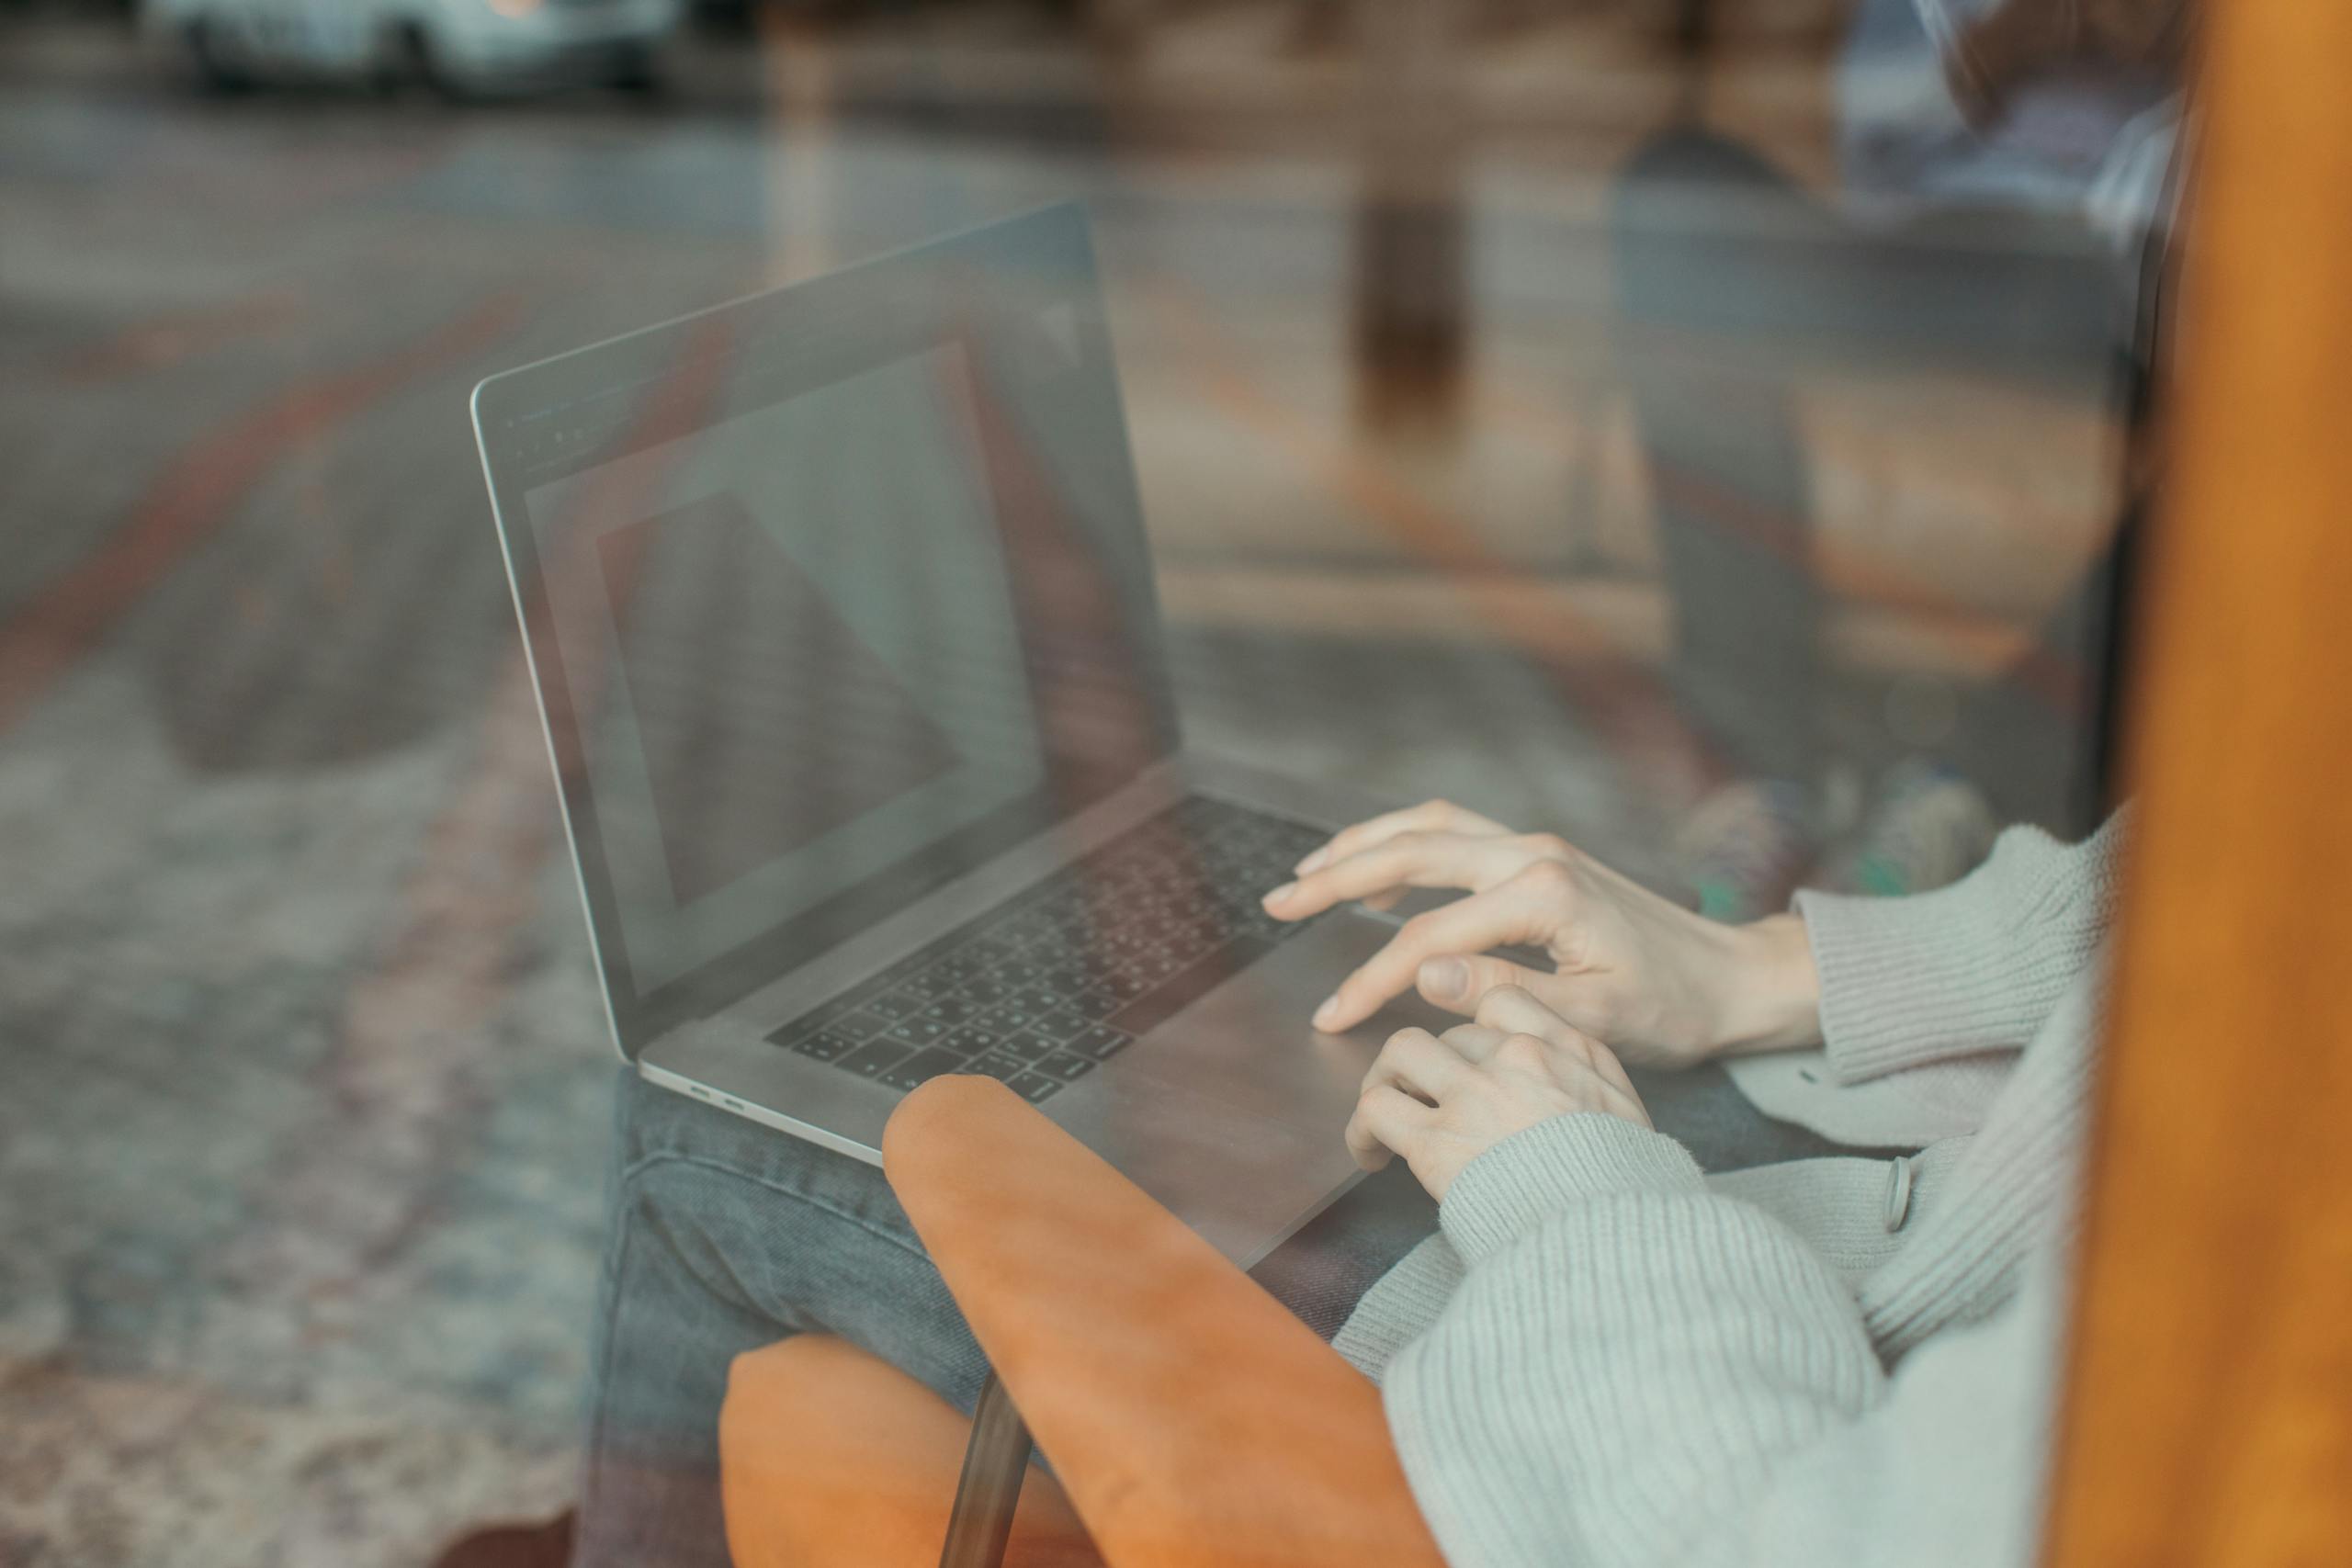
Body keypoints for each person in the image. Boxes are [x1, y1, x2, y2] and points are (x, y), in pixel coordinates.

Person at [1621, 0, 2188, 920]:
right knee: (1677, 179)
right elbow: (1869, 137)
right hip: (1922, 254)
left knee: (2278, 399)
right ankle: (1757, 777)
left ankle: (1977, 785)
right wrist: (2030, 33)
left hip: (2117, 276)